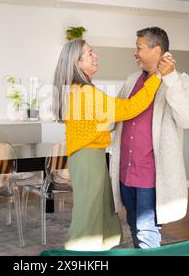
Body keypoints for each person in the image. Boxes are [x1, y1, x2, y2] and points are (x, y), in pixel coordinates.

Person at [52, 38, 174, 251]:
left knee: (101, 211)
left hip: (87, 157)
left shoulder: (77, 90)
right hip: (87, 158)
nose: (95, 56)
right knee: (88, 216)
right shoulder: (85, 93)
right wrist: (157, 77)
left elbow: (108, 116)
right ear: (77, 63)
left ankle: (102, 250)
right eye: (89, 54)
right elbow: (130, 108)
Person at [109, 27, 189, 249]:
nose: (135, 53)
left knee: (147, 231)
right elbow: (115, 115)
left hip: (151, 175)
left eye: (138, 47)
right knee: (132, 223)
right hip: (126, 171)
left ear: (156, 50)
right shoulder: (132, 80)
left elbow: (188, 119)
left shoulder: (178, 81)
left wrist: (170, 79)